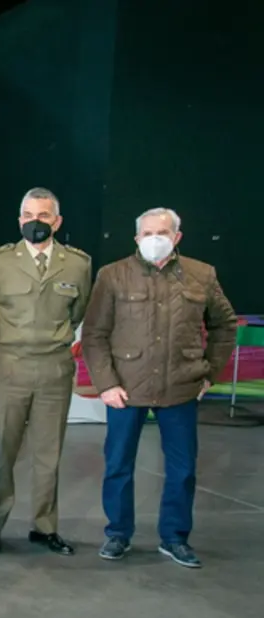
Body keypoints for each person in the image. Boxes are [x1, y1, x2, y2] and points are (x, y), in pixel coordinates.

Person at [81, 208, 236, 569]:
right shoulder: (113, 276)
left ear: (177, 237)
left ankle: (175, 537)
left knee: (182, 469)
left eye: (162, 232)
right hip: (125, 390)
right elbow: (94, 334)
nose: (155, 238)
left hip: (180, 388)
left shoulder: (202, 275)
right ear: (136, 238)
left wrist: (209, 373)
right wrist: (106, 383)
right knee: (118, 465)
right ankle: (118, 533)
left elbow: (225, 326)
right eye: (147, 233)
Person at [0, 187, 92, 556]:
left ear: (56, 222)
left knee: (48, 454)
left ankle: (44, 527)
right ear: (19, 219)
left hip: (54, 368)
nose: (34, 222)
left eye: (42, 216)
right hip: (8, 366)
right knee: (1, 451)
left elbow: (78, 312)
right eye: (27, 215)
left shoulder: (78, 264)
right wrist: (2, 340)